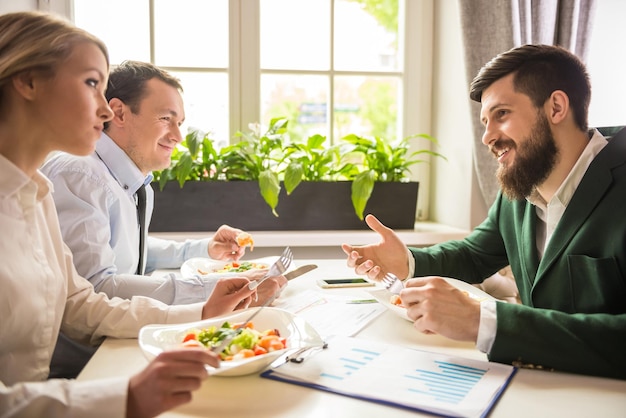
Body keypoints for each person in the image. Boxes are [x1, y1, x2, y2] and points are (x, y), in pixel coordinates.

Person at [0, 11, 257, 417]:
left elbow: (79, 301)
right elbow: (98, 286)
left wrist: (200, 311)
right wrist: (124, 398)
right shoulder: (74, 173)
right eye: (91, 84)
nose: (104, 109)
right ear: (29, 82)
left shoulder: (37, 194)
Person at [342, 44, 626, 380]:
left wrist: (486, 321)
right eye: (485, 121)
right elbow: (474, 254)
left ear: (557, 107)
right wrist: (408, 262)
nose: (488, 137)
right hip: (533, 386)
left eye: (502, 114)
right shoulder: (522, 183)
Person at [40, 60, 287, 377]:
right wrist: (211, 291)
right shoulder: (80, 174)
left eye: (180, 122)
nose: (179, 136)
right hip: (84, 367)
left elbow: (122, 250)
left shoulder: (126, 177)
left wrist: (200, 250)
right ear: (119, 113)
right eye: (166, 119)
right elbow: (98, 288)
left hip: (120, 342)